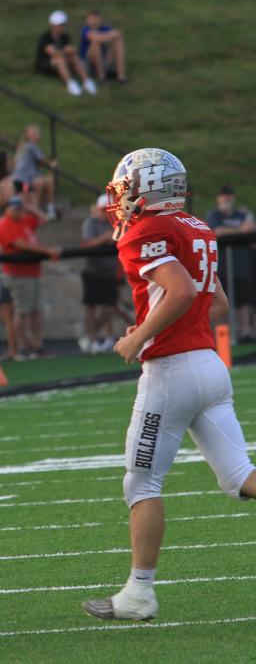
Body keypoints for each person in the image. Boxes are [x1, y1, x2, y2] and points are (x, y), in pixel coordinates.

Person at [82, 148, 256, 622]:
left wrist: (139, 335)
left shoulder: (147, 230)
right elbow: (213, 301)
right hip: (209, 364)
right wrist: (161, 326)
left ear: (147, 187)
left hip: (172, 373)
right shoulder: (197, 227)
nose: (119, 200)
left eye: (124, 189)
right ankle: (137, 593)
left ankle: (139, 594)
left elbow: (181, 291)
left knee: (142, 483)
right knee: (241, 476)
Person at [0, 196, 60, 359]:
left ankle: (37, 346)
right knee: (22, 311)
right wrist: (47, 251)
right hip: (18, 274)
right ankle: (21, 348)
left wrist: (29, 206)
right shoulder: (5, 224)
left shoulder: (24, 220)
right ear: (7, 209)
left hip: (32, 272)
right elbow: (20, 244)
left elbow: (44, 219)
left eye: (19, 208)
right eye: (14, 208)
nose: (17, 211)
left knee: (35, 311)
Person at [205, 185, 254, 341]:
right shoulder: (215, 215)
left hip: (241, 263)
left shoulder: (241, 214)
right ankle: (222, 334)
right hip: (222, 264)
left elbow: (251, 230)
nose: (226, 199)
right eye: (223, 196)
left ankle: (244, 332)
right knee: (221, 299)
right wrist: (241, 230)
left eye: (229, 196)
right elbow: (217, 231)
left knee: (244, 299)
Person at [80, 194, 119, 354]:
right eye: (104, 210)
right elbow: (86, 244)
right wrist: (104, 238)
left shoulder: (117, 223)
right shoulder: (91, 223)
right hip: (93, 270)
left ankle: (90, 335)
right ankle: (90, 338)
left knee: (109, 307)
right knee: (91, 306)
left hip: (110, 270)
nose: (107, 213)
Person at [35, 10, 97, 96]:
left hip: (62, 61)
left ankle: (86, 81)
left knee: (74, 57)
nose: (61, 27)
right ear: (53, 25)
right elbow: (52, 52)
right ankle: (70, 83)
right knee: (59, 59)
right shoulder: (46, 37)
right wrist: (65, 51)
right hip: (46, 64)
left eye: (62, 25)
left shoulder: (64, 37)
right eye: (59, 25)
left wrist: (70, 51)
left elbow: (71, 49)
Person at [12, 125, 57, 216]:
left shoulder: (23, 147)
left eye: (38, 133)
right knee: (33, 193)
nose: (38, 135)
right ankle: (40, 213)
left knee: (43, 183)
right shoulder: (31, 146)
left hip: (19, 180)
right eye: (35, 133)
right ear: (28, 135)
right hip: (24, 182)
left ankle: (46, 210)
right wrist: (52, 164)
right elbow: (42, 160)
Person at [79, 10, 127, 84]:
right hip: (87, 64)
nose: (94, 22)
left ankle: (121, 76)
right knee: (95, 44)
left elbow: (118, 34)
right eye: (92, 19)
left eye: (96, 19)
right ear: (87, 21)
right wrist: (108, 37)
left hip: (102, 60)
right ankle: (102, 77)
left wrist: (102, 37)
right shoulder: (85, 30)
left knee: (118, 41)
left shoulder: (104, 28)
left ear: (101, 20)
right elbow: (94, 38)